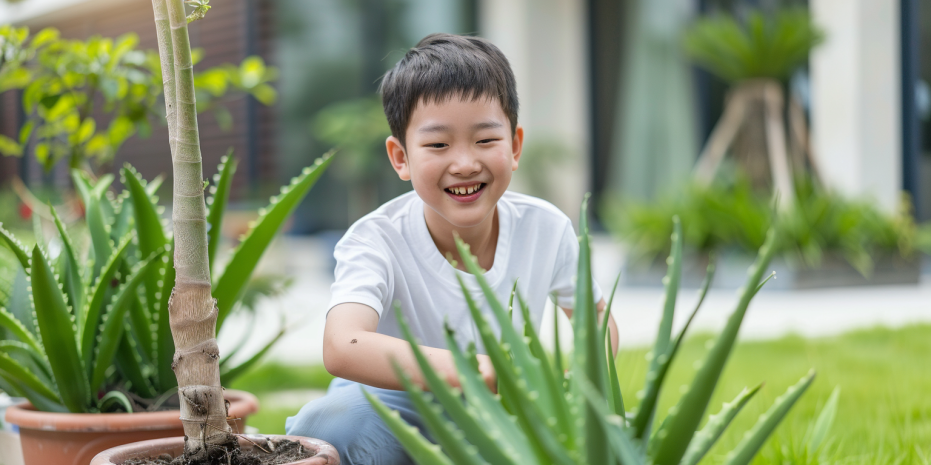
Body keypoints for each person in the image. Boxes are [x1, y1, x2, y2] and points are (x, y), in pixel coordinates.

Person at [285, 32, 619, 465]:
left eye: (485, 140)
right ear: (401, 157)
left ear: (514, 146)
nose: (464, 163)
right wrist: (482, 370)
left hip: (497, 414)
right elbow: (343, 344)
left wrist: (576, 385)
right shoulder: (376, 238)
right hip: (392, 408)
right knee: (327, 425)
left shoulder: (546, 228)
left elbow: (595, 318)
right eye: (438, 144)